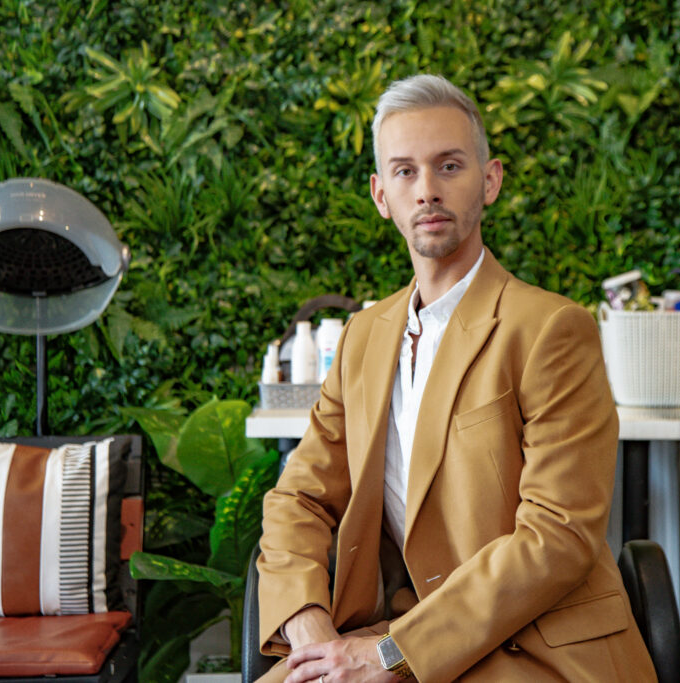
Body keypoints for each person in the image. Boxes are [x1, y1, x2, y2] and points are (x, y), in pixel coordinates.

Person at [256, 73, 657, 682]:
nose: (427, 191)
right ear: (380, 194)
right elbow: (299, 499)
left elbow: (558, 536)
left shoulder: (552, 328)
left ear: (489, 180)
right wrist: (310, 630)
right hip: (396, 636)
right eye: (405, 171)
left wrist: (392, 653)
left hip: (533, 648)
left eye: (449, 166)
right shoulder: (364, 337)